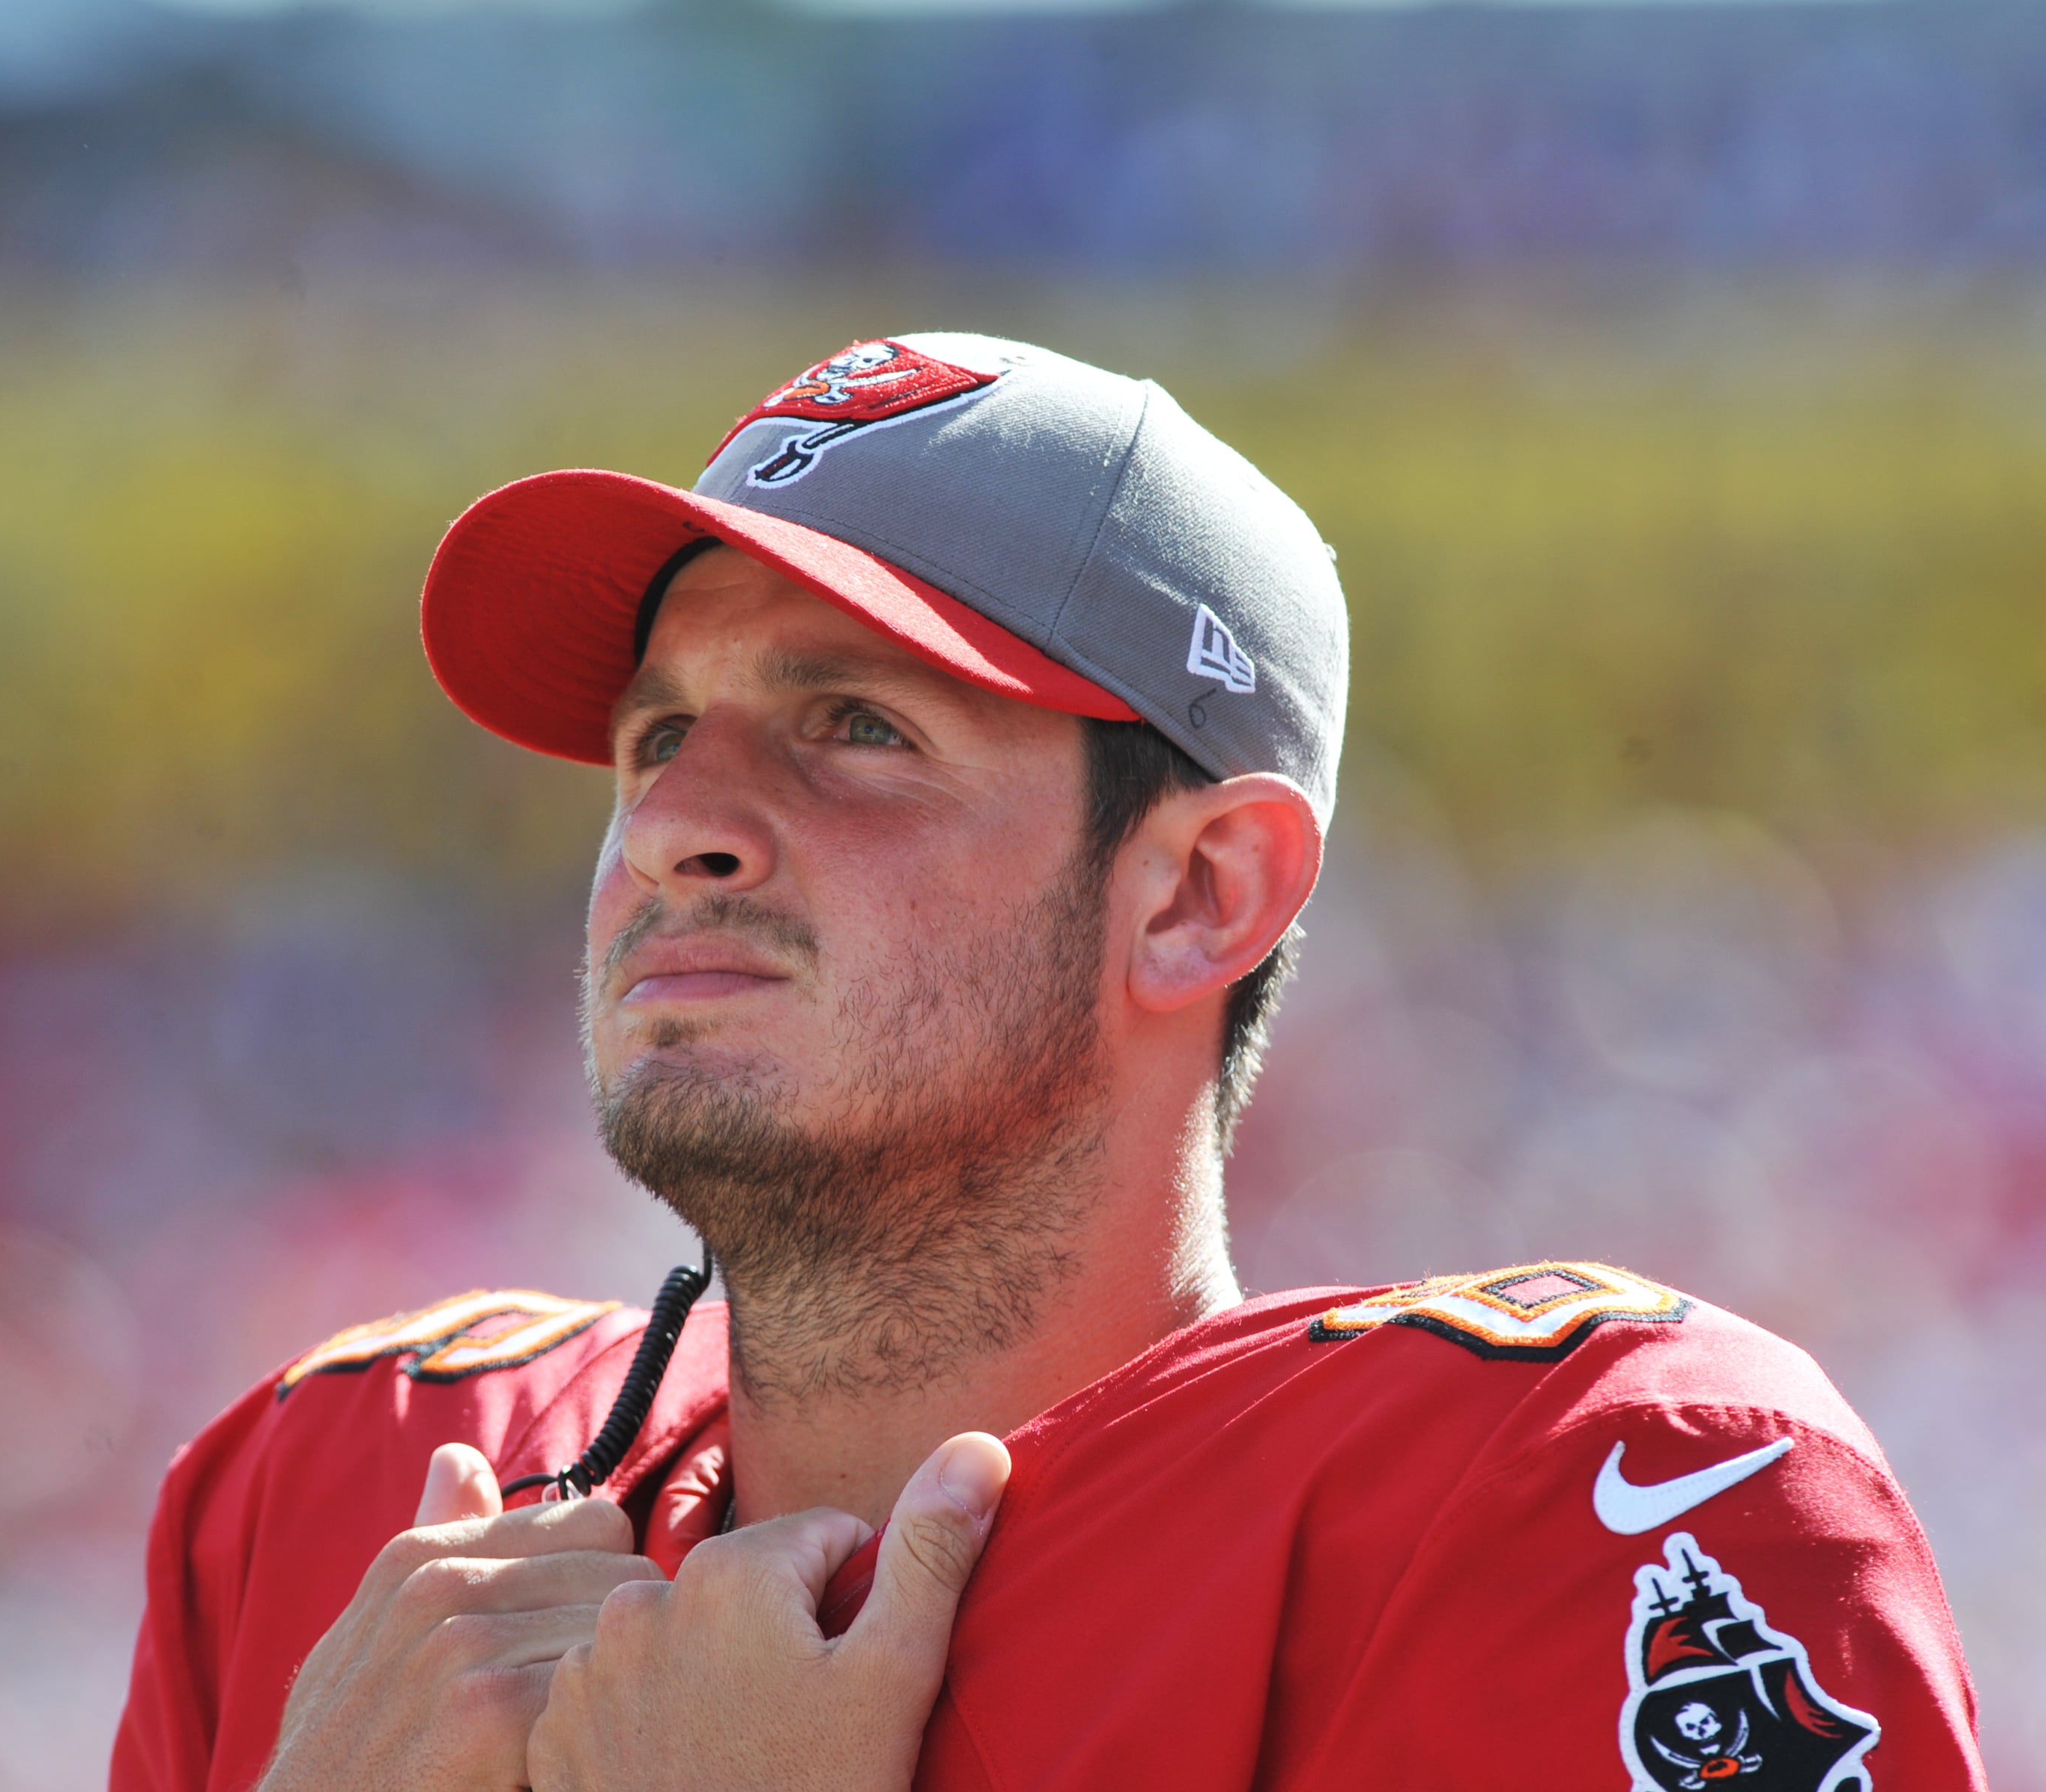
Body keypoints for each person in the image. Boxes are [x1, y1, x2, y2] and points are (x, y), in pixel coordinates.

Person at [112, 334, 1986, 1792]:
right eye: (657, 732)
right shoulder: (345, 1483)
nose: (676, 821)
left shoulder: (1581, 1491)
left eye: (856, 726)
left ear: (1195, 890)